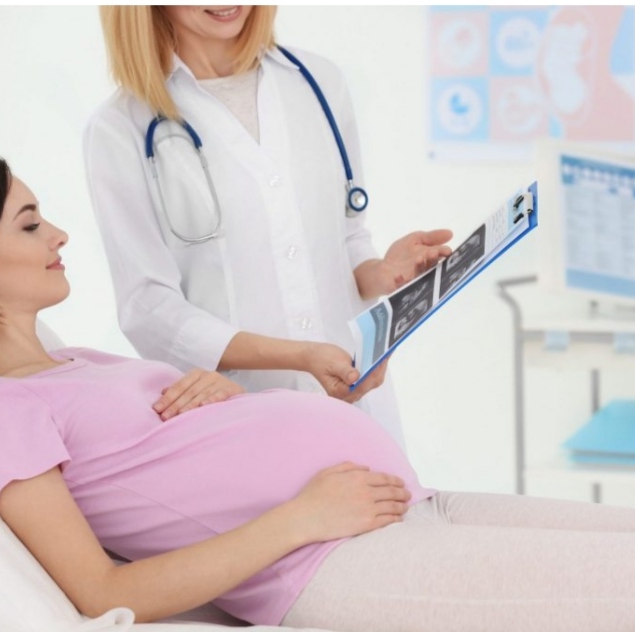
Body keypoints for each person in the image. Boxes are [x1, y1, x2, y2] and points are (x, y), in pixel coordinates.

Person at [0, 154, 635, 632]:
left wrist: (220, 395)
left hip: (398, 507)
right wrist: (301, 515)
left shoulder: (75, 362)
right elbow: (99, 595)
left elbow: (159, 469)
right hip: (327, 561)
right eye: (30, 223)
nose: (59, 236)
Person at [83, 5, 454, 450]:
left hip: (355, 405)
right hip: (239, 421)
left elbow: (347, 234)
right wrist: (299, 356)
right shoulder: (120, 128)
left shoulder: (318, 83)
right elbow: (149, 308)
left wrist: (383, 272)